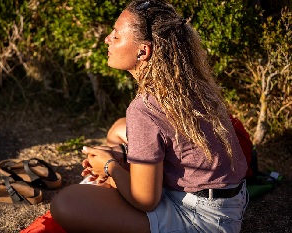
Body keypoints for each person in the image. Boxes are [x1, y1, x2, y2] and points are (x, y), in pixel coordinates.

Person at [50, 0, 249, 232]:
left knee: (66, 203)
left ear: (143, 51)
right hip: (230, 202)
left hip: (202, 220)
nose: (107, 39)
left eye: (115, 35)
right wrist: (124, 157)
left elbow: (146, 200)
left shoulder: (144, 109)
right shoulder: (191, 84)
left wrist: (109, 166)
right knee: (118, 129)